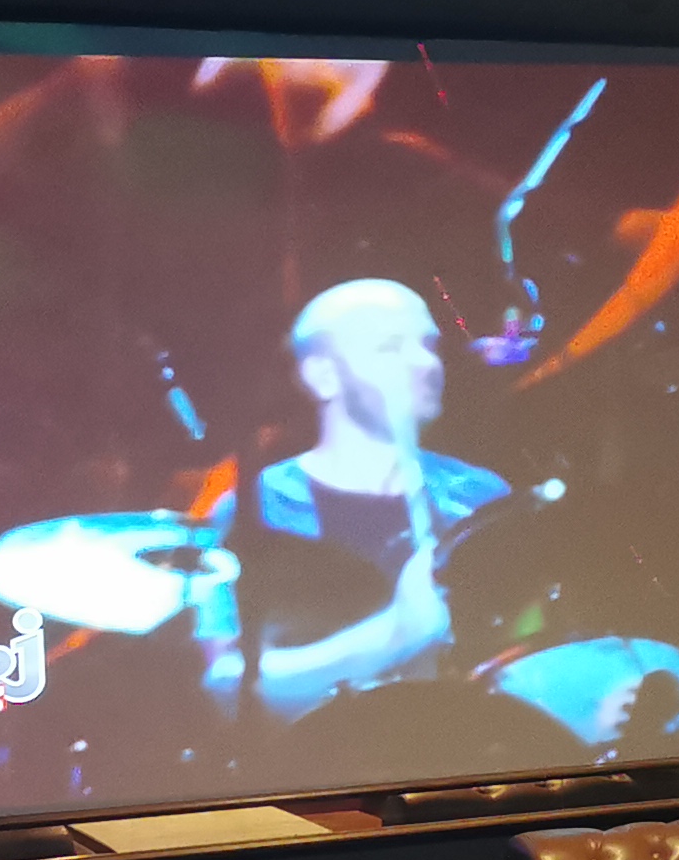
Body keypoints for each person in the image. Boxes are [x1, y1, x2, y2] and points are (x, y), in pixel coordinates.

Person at [214, 278, 509, 721]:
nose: (425, 363)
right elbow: (224, 685)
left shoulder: (480, 496)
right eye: (391, 347)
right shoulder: (259, 509)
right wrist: (394, 635)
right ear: (323, 376)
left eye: (429, 345)